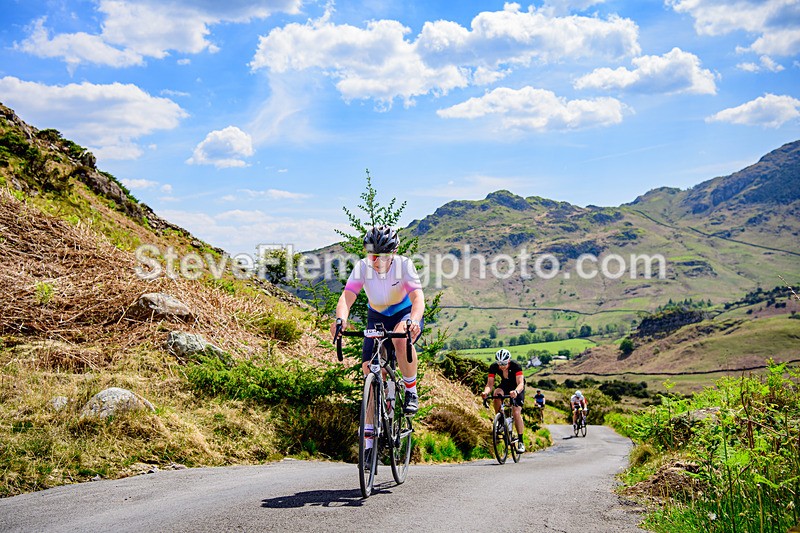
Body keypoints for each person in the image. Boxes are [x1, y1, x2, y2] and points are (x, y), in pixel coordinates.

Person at [331, 225, 425, 416]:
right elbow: (346, 297)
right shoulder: (362, 268)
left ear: (394, 253)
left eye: (382, 256)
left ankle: (411, 390)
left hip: (404, 314)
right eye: (372, 255)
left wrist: (414, 321)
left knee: (400, 340)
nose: (376, 261)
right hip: (377, 317)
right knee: (369, 370)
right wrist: (341, 319)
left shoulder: (404, 266)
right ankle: (369, 437)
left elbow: (418, 298)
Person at [481, 349, 526, 453]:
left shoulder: (516, 366)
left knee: (516, 412)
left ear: (509, 360)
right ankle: (500, 420)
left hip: (517, 387)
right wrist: (485, 393)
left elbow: (521, 383)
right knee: (496, 394)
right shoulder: (493, 367)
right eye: (499, 363)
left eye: (504, 363)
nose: (502, 366)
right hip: (505, 385)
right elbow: (490, 384)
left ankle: (520, 441)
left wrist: (516, 391)